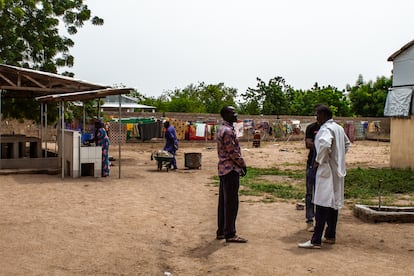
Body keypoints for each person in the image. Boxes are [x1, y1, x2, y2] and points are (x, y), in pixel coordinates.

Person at [298, 105, 351, 249]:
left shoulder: (326, 129)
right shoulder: (338, 128)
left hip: (326, 171)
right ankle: (330, 235)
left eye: (317, 115)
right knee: (333, 203)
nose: (316, 118)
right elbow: (347, 144)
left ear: (323, 115)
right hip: (336, 171)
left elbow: (325, 145)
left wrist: (318, 160)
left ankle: (316, 240)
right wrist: (338, 157)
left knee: (321, 203)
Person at [216, 106, 248, 243]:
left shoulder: (221, 129)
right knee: (231, 203)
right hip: (230, 170)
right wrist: (243, 164)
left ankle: (221, 231)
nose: (236, 115)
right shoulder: (228, 131)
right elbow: (233, 152)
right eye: (233, 113)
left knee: (223, 202)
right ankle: (230, 233)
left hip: (223, 169)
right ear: (226, 115)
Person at [304, 104, 322, 232]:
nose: (317, 116)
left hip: (324, 166)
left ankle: (321, 220)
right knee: (310, 192)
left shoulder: (329, 128)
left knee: (323, 193)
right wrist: (323, 145)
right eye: (316, 113)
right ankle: (310, 218)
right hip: (311, 163)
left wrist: (316, 144)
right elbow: (308, 144)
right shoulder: (311, 128)